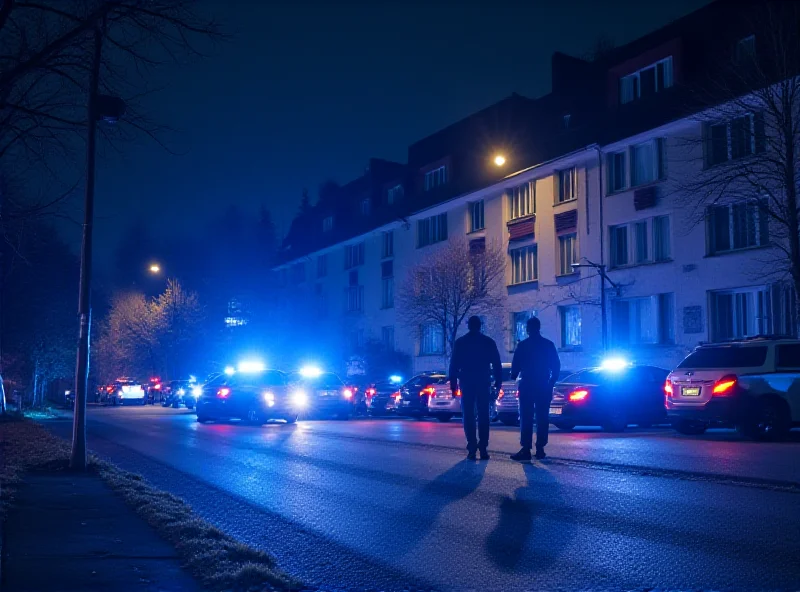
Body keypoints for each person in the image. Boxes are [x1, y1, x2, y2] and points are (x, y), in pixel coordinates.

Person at [449, 316, 503, 460]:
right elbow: (497, 365)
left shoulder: (461, 343)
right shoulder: (488, 342)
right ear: (480, 326)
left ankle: (472, 448)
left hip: (467, 382)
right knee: (484, 415)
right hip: (482, 382)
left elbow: (453, 365)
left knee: (468, 416)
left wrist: (453, 385)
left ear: (469, 326)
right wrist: (498, 383)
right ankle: (483, 448)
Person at [510, 316, 561, 461]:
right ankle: (540, 448)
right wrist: (551, 382)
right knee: (542, 417)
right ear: (539, 328)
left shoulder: (523, 346)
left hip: (527, 384)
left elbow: (515, 368)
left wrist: (514, 376)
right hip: (543, 384)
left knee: (526, 417)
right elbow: (556, 366)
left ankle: (526, 448)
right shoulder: (548, 345)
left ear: (528, 329)